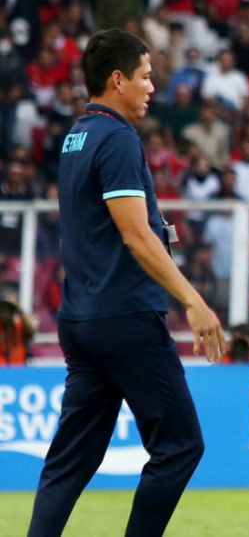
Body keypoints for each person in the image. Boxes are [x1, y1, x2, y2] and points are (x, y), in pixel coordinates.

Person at [28, 28, 224, 537]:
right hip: (125, 317)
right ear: (118, 80)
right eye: (145, 76)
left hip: (81, 318)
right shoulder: (117, 138)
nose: (152, 86)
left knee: (70, 460)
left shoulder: (76, 135)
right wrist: (193, 300)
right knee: (181, 445)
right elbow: (136, 236)